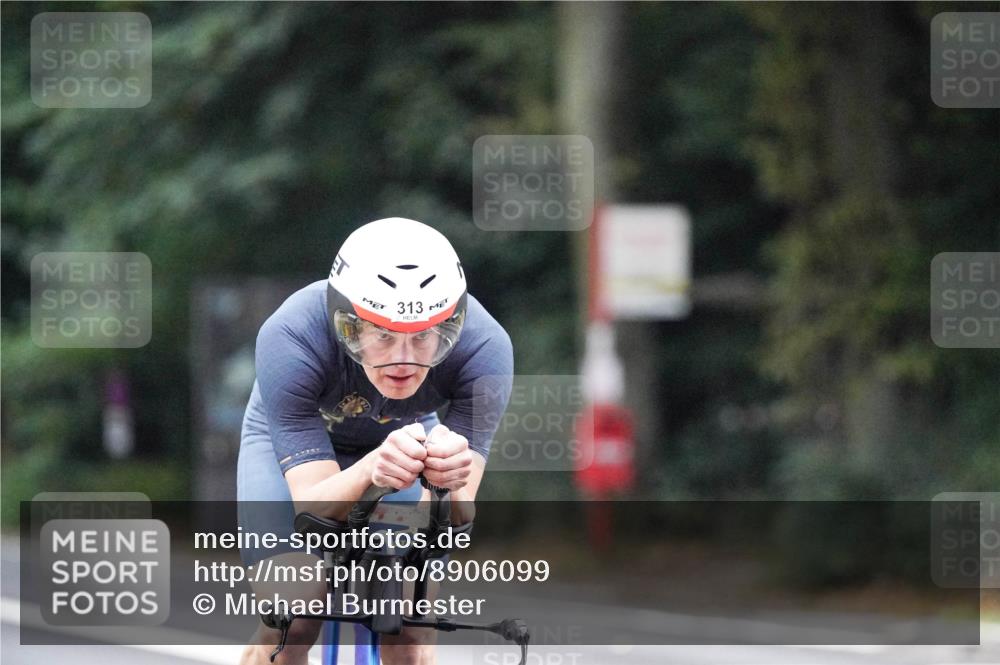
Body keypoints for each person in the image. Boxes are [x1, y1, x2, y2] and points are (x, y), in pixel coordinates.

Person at [237, 217, 513, 665]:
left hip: (402, 442)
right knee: (294, 616)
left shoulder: (485, 348)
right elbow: (311, 507)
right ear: (348, 325)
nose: (403, 358)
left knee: (408, 629)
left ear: (452, 327)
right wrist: (368, 469)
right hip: (295, 448)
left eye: (424, 336)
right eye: (383, 335)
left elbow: (456, 516)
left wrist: (448, 482)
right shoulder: (290, 336)